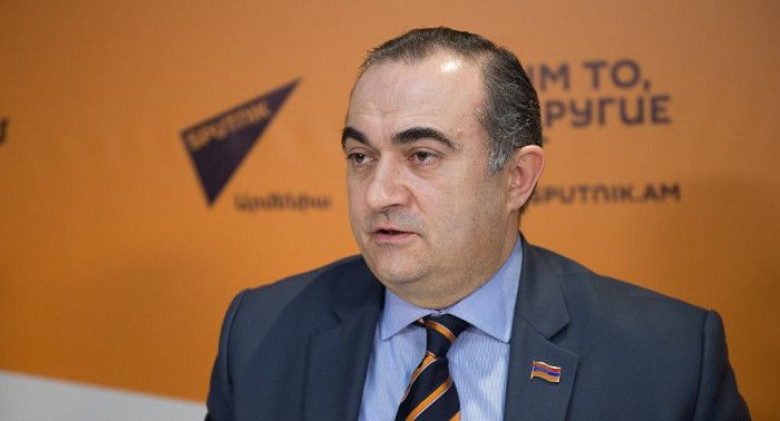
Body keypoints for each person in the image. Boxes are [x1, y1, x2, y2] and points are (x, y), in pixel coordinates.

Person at [205, 27, 750, 420]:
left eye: (422, 155)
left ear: (516, 177)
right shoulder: (260, 335)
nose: (377, 194)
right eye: (360, 157)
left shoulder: (668, 358)